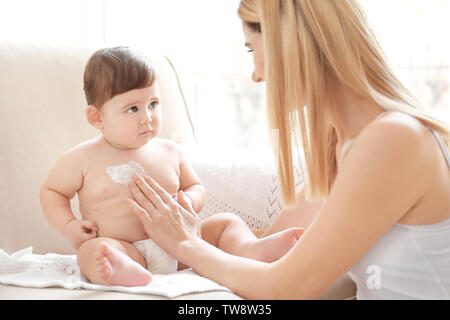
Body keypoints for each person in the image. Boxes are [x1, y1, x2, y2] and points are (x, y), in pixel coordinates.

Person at [126, 0, 450, 299]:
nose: (255, 75)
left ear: (289, 46)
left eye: (252, 49)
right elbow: (272, 245)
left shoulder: (393, 140)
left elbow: (285, 286)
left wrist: (185, 243)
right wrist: (198, 232)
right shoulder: (344, 146)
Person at [39, 46, 303, 287]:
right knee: (93, 251)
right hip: (126, 247)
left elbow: (195, 186)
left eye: (153, 104)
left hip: (185, 247)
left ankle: (250, 250)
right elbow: (53, 192)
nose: (148, 118)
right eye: (133, 109)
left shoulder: (169, 151)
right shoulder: (82, 158)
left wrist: (188, 200)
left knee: (226, 223)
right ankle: (122, 271)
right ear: (96, 117)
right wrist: (69, 225)